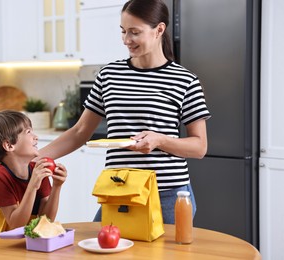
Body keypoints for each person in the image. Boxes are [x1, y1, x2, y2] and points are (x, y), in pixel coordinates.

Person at [38, 0, 211, 224]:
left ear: (159, 29)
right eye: (123, 31)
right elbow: (80, 131)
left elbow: (199, 146)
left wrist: (159, 140)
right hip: (118, 189)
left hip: (166, 194)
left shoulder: (185, 80)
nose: (126, 40)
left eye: (134, 32)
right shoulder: (109, 75)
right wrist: (35, 158)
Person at [0, 110, 67, 236]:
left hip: (26, 241)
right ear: (9, 145)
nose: (36, 137)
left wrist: (57, 186)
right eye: (28, 132)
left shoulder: (37, 170)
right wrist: (32, 186)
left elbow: (46, 220)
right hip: (0, 245)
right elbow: (15, 225)